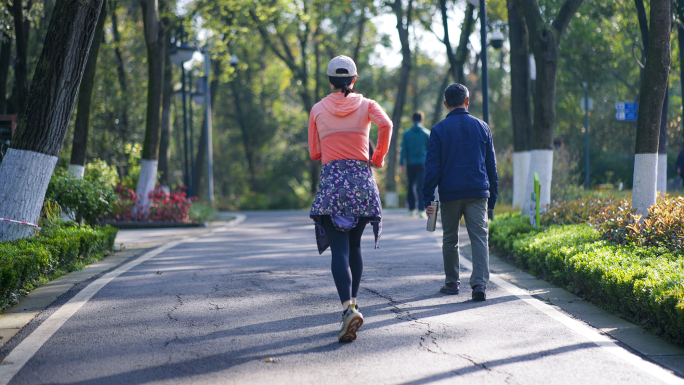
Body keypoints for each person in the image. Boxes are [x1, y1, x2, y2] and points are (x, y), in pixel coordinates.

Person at [308, 55, 393, 342]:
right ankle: (353, 305)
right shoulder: (368, 105)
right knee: (355, 245)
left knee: (339, 251)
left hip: (333, 184)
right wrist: (377, 158)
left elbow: (314, 153)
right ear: (354, 79)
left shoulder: (318, 109)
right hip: (361, 184)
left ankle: (347, 308)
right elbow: (387, 125)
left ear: (330, 80)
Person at [423, 83, 498, 301]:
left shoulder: (438, 130)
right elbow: (491, 165)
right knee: (479, 237)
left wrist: (428, 197)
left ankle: (452, 282)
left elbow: (432, 167)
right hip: (478, 192)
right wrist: (492, 197)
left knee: (450, 238)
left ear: (446, 104)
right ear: (467, 101)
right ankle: (479, 285)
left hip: (450, 193)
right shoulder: (482, 127)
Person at [400, 111, 430, 218]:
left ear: (412, 120)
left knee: (410, 186)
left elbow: (404, 149)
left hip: (410, 163)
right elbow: (430, 150)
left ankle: (411, 209)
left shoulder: (407, 134)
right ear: (422, 120)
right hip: (423, 163)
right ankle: (421, 210)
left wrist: (401, 163)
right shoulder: (427, 133)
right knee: (421, 186)